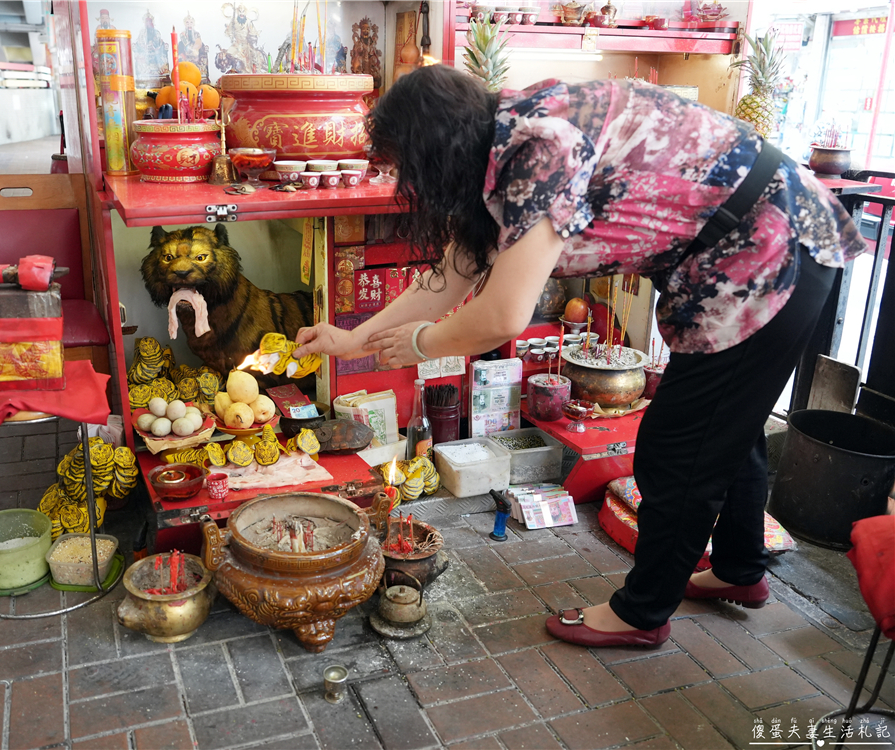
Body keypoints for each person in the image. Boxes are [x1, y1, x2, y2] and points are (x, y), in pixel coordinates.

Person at [293, 65, 866, 647]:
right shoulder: (494, 140)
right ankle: (740, 572)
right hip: (756, 246)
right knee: (724, 424)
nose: (410, 187)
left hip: (770, 249)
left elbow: (502, 315)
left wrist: (421, 344)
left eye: (408, 170)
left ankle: (642, 615)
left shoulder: (537, 150)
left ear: (435, 151)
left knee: (677, 450)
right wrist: (354, 339)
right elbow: (450, 277)